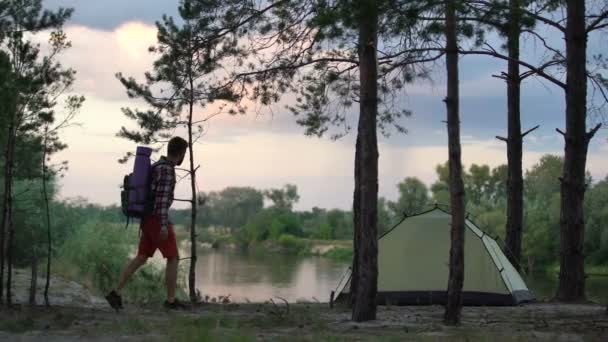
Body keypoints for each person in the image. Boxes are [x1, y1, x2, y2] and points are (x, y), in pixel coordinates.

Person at [106, 136, 189, 311]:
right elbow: (161, 200)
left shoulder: (156, 166)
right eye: (184, 153)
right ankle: (171, 301)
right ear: (181, 153)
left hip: (147, 219)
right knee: (173, 257)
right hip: (156, 220)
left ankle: (115, 292)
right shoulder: (166, 170)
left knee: (142, 257)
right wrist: (164, 225)